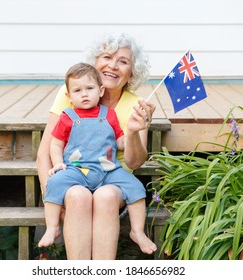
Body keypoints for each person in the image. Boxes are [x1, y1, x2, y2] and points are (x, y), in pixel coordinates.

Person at [36, 33, 156, 259]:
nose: (113, 65)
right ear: (95, 61)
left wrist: (133, 131)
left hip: (111, 176)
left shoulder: (136, 105)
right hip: (75, 174)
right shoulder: (72, 94)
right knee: (77, 196)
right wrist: (52, 196)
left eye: (123, 61)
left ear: (132, 71)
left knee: (105, 196)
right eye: (107, 57)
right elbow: (45, 153)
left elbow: (134, 161)